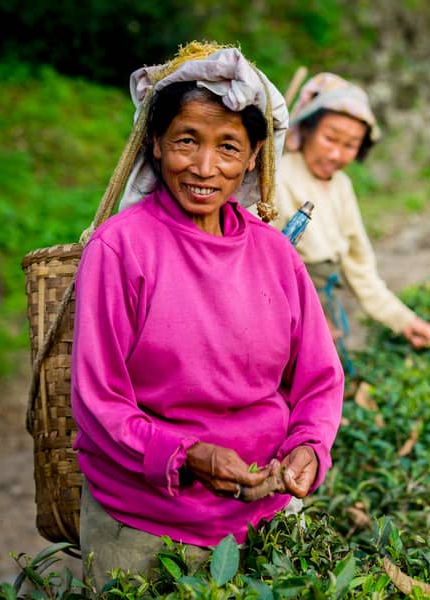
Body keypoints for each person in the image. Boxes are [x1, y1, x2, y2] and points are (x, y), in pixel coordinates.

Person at [70, 42, 344, 586]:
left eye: (227, 147)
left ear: (252, 155)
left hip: (265, 520)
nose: (204, 167)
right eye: (186, 141)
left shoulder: (274, 253)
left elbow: (319, 378)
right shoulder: (120, 250)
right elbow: (99, 401)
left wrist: (310, 446)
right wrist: (186, 454)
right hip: (144, 530)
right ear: (155, 143)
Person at [267, 72, 430, 361]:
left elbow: (359, 266)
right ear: (307, 130)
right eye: (330, 138)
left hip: (323, 306)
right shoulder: (277, 177)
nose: (336, 154)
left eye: (349, 145)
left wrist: (404, 321)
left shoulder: (341, 187)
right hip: (283, 309)